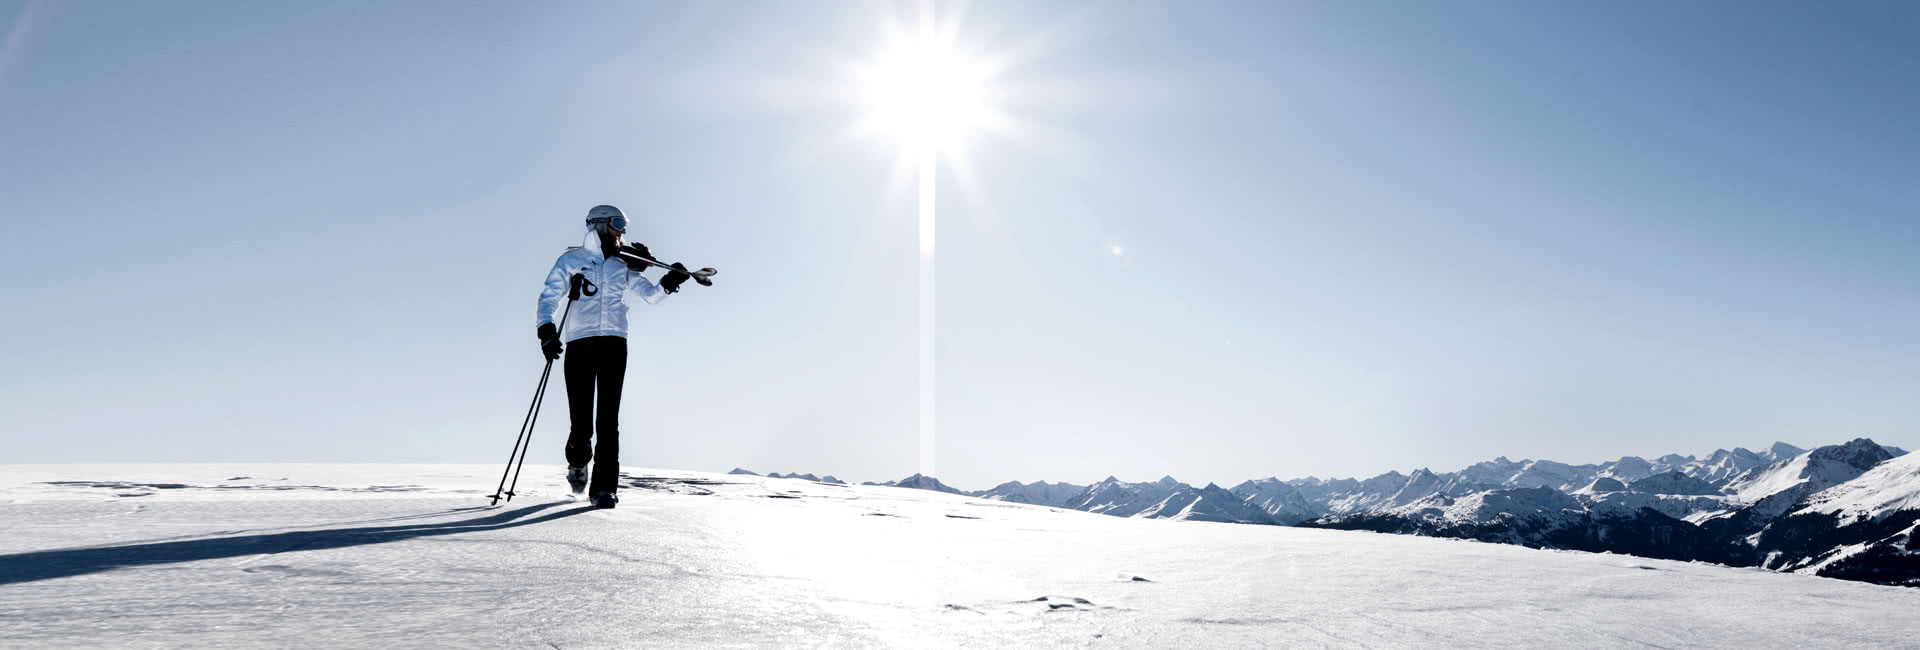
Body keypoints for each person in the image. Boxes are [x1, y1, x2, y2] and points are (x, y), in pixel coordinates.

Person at [535, 205, 695, 509]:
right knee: (582, 425)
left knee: (608, 420)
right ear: (599, 225)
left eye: (624, 225)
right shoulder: (571, 261)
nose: (622, 231)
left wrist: (669, 282)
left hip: (614, 343)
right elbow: (548, 296)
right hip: (580, 343)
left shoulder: (622, 265)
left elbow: (650, 294)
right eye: (618, 224)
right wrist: (546, 331)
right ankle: (578, 461)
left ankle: (604, 488)